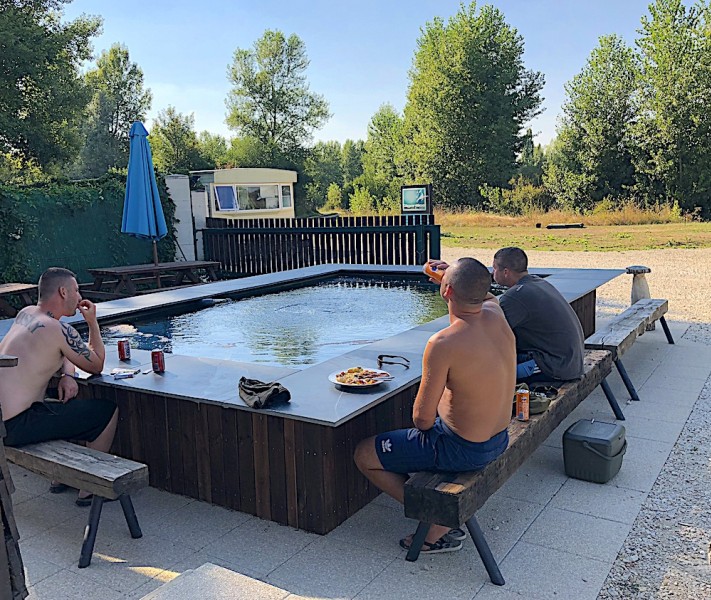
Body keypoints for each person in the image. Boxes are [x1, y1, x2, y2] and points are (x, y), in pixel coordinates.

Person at [354, 258, 515, 554]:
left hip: (462, 448)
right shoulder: (496, 313)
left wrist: (444, 403)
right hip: (499, 439)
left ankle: (437, 518)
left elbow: (422, 420)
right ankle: (437, 516)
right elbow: (482, 291)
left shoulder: (443, 343)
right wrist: (451, 274)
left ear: (447, 292)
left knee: (364, 453)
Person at [0, 268, 117, 506]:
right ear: (63, 292)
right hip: (15, 426)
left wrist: (68, 375)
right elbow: (97, 365)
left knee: (66, 400)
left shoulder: (26, 314)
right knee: (106, 411)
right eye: (76, 290)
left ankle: (60, 478)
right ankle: (89, 489)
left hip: (3, 419)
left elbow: (61, 349)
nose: (79, 294)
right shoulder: (60, 330)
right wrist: (93, 323)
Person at [431, 247, 584, 383]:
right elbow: (478, 292)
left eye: (494, 268)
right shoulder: (535, 283)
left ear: (505, 272)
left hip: (555, 366)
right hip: (568, 360)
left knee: (478, 374)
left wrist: (452, 292)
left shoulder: (515, 297)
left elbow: (480, 331)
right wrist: (456, 275)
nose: (492, 272)